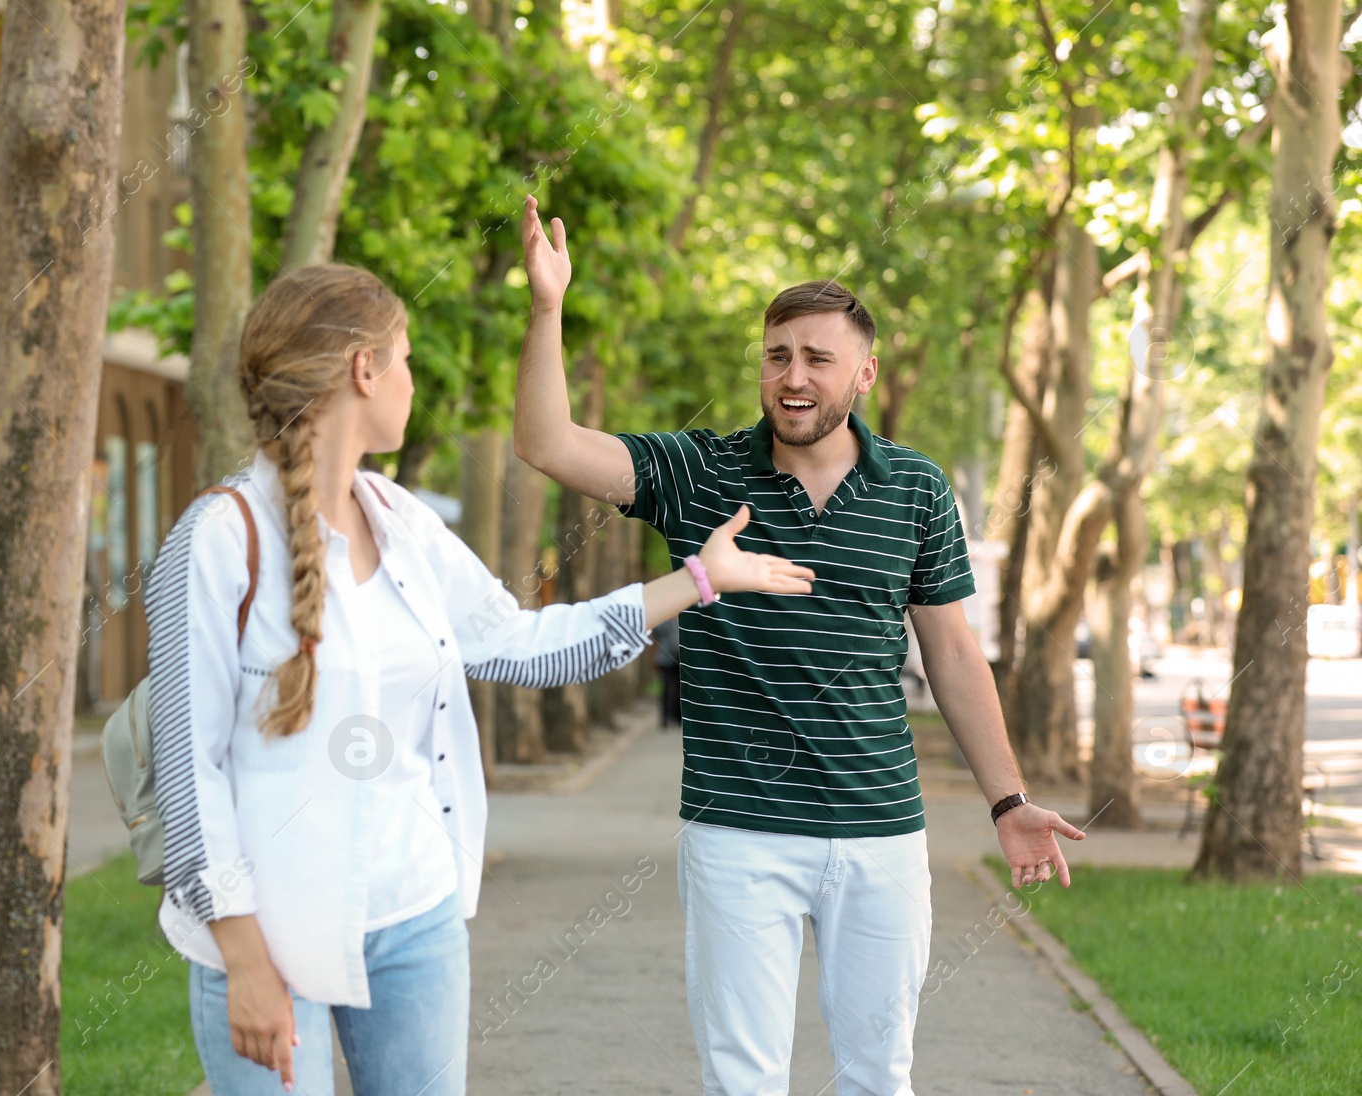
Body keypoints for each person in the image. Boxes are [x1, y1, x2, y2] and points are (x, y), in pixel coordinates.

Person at [143, 263, 818, 1096]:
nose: (413, 381)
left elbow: (521, 647)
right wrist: (242, 957)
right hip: (269, 928)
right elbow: (187, 771)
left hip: (414, 916)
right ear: (364, 369)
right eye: (408, 358)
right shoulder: (214, 539)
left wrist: (695, 581)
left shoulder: (404, 524)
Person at [512, 196, 1087, 1096]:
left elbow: (953, 656)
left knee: (877, 1076)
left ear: (862, 374)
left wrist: (1008, 800)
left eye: (819, 357)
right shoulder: (698, 471)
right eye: (779, 354)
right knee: (743, 1081)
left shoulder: (917, 489)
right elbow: (545, 442)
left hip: (881, 834)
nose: (794, 374)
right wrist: (548, 308)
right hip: (738, 831)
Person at [651, 614, 681, 728]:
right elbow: (655, 638)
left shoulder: (682, 619)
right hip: (664, 658)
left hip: (680, 659)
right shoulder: (662, 620)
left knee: (679, 688)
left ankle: (679, 717)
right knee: (666, 688)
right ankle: (665, 718)